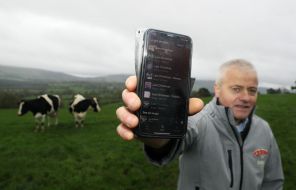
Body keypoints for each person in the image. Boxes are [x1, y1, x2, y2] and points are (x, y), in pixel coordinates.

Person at [116, 59, 284, 190]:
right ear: (217, 89)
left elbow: (273, 181)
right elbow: (177, 137)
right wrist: (156, 132)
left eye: (252, 90)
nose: (246, 97)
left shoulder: (264, 129)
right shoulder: (200, 120)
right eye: (236, 89)